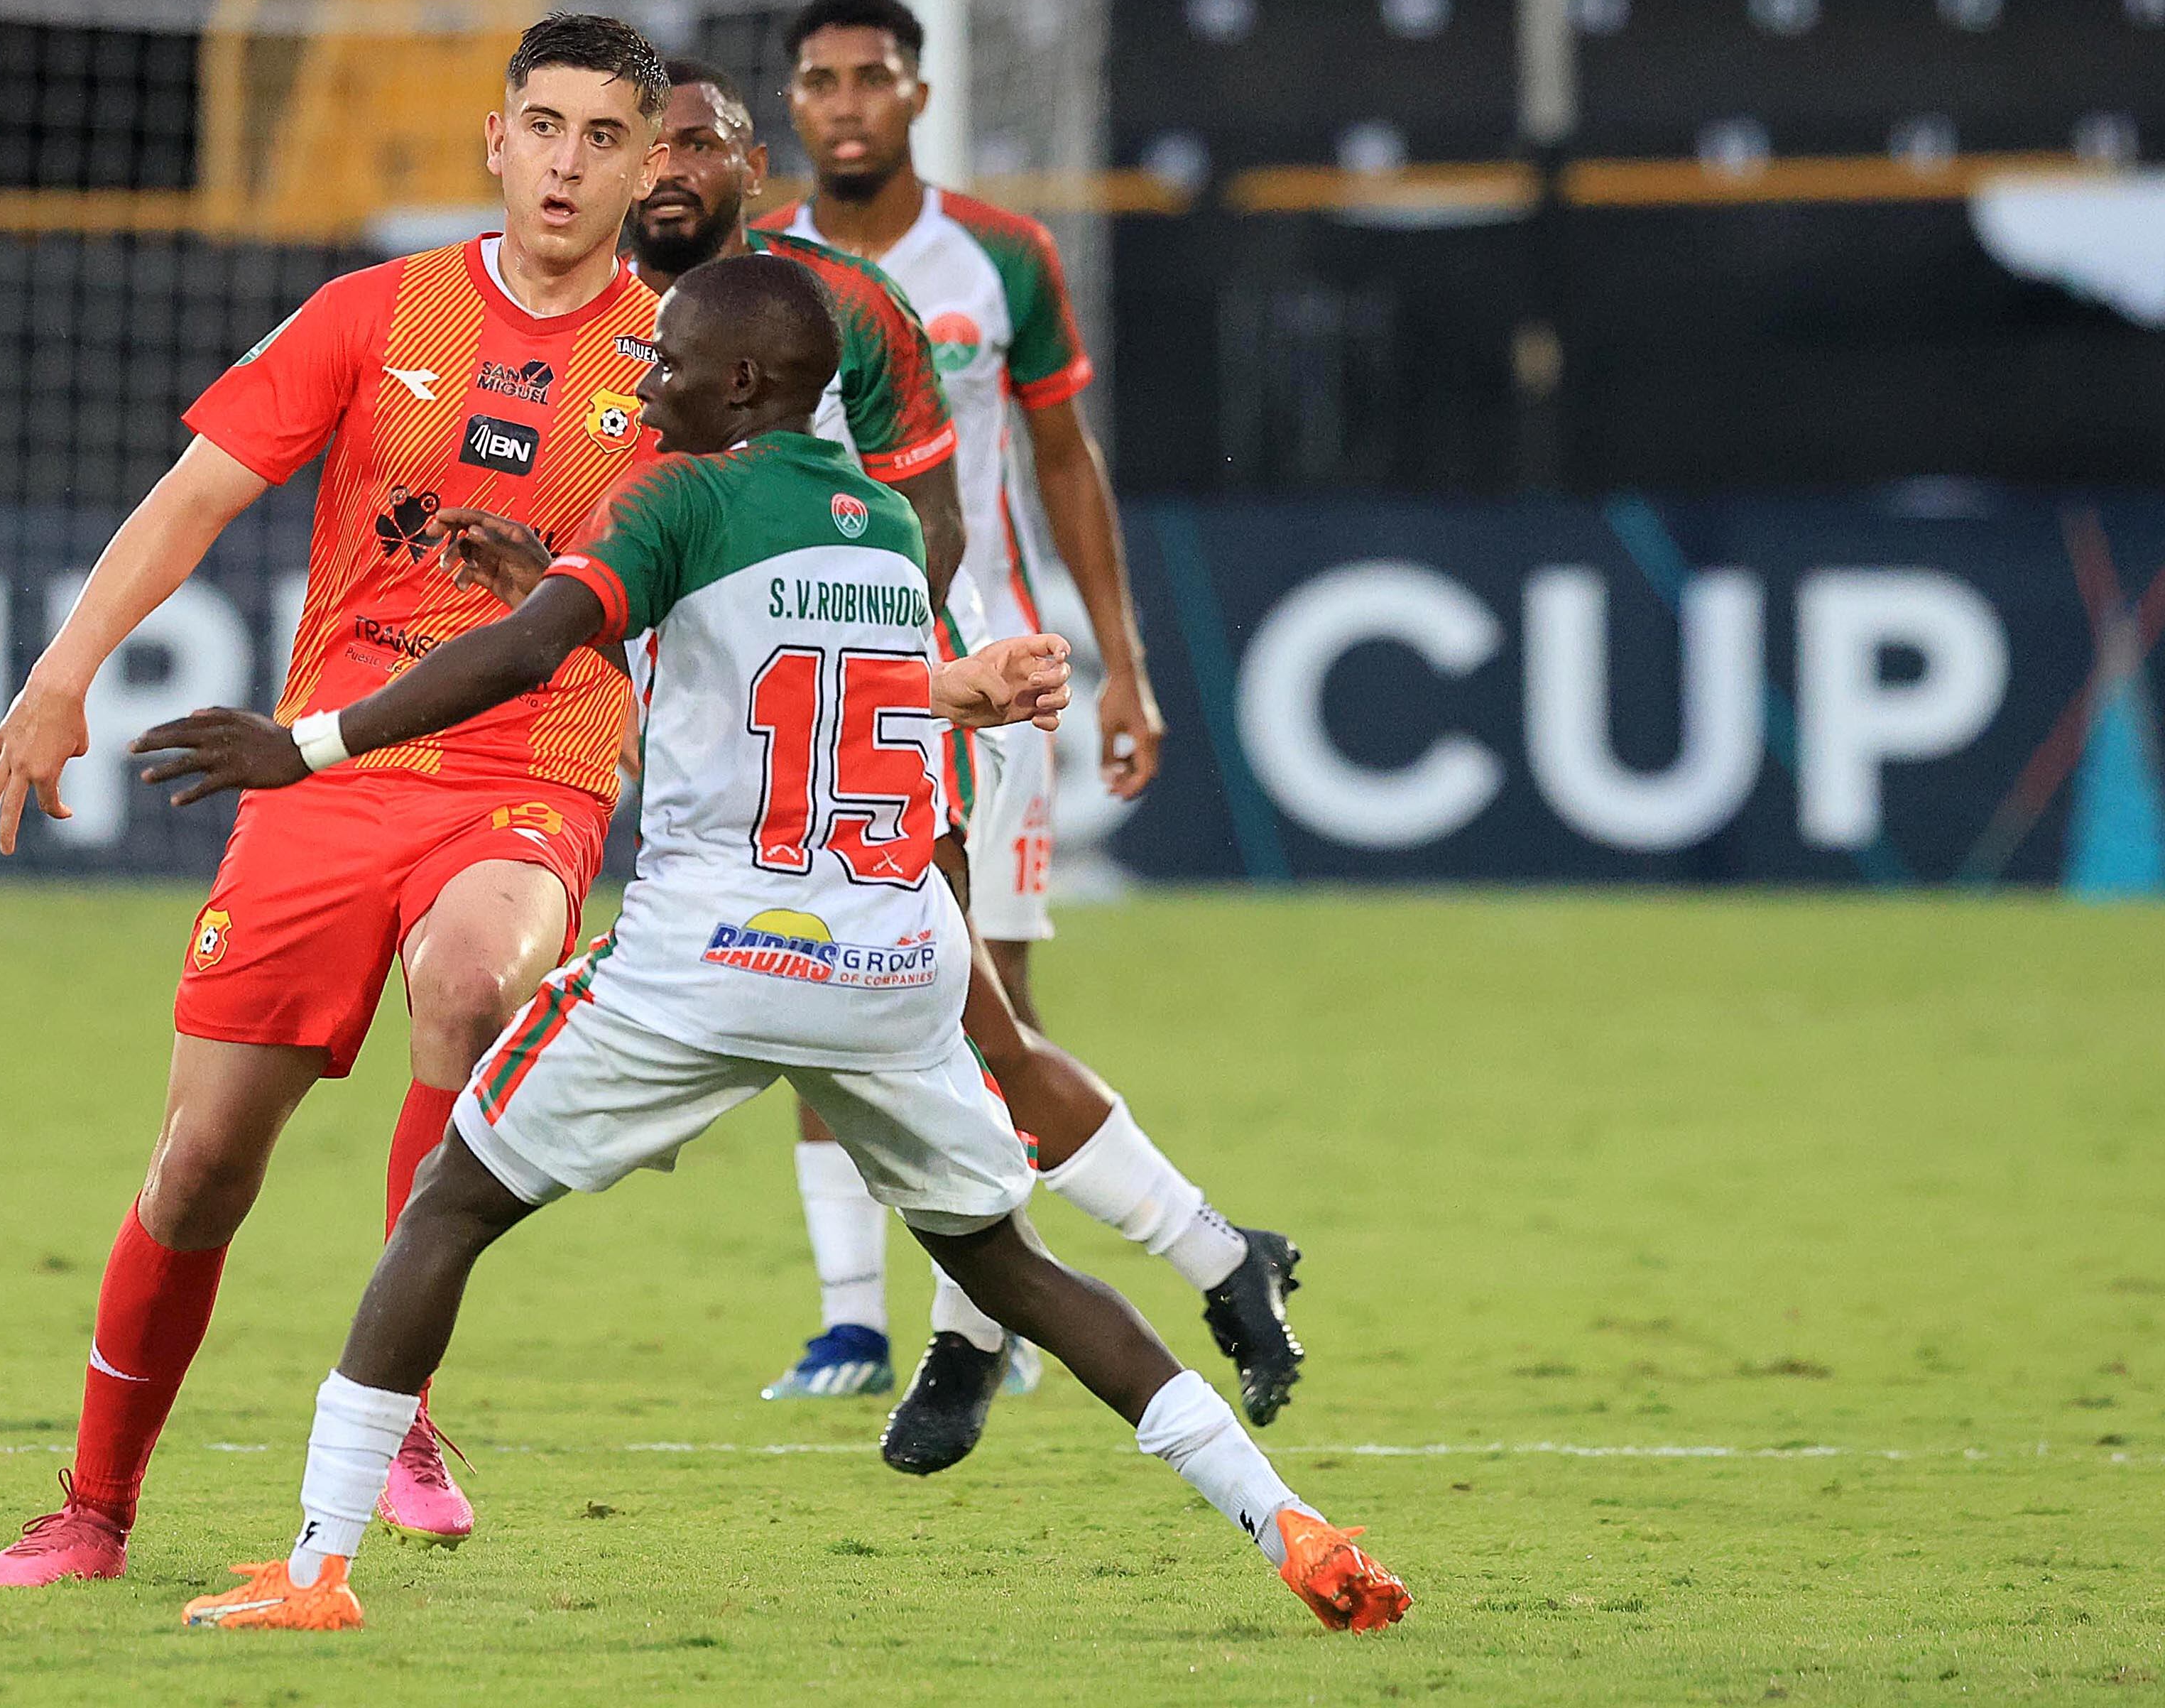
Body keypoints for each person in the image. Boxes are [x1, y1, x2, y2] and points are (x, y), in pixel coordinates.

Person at [129, 254, 1409, 1638]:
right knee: (1014, 1272)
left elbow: (521, 658)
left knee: (445, 1202)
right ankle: (1287, 1519)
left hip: (708, 957)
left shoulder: (676, 493)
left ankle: (315, 1566)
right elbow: (742, 668)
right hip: (883, 963)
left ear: (740, 380)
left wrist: (304, 742)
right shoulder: (881, 533)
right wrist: (561, 584)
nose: (646, 374)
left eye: (670, 355)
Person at [0, 14, 675, 1586]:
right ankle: (92, 1507)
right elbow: (198, 494)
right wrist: (62, 673)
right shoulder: (376, 310)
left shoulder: (681, 362)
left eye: (601, 136)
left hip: (532, 762)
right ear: (495, 140)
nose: (565, 162)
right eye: (541, 127)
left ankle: (397, 1392)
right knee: (203, 1160)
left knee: (477, 976)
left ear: (641, 162)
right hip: (332, 763)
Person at [622, 53, 1307, 1459]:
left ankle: (986, 1324)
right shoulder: (610, 316)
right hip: (751, 725)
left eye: (701, 142)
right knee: (907, 1029)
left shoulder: (845, 312)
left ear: (755, 168)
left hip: (876, 713)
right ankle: (1185, 1263)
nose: (671, 165)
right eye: (651, 144)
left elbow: (928, 523)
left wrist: (859, 670)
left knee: (950, 1027)